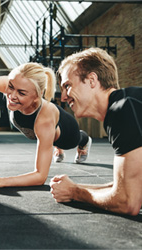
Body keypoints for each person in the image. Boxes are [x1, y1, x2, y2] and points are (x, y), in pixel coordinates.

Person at [0, 16, 92, 189]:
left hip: (68, 133)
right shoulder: (12, 87)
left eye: (21, 93)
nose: (11, 95)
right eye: (10, 87)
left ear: (37, 96)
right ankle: (53, 145)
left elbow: (40, 176)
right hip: (49, 128)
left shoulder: (44, 120)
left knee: (71, 140)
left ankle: (83, 142)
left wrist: (2, 181)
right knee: (47, 140)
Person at [50, 47, 142, 216]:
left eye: (67, 86)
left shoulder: (123, 109)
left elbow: (128, 201)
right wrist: (75, 187)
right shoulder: (128, 103)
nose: (63, 97)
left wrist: (74, 193)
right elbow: (133, 188)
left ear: (92, 80)